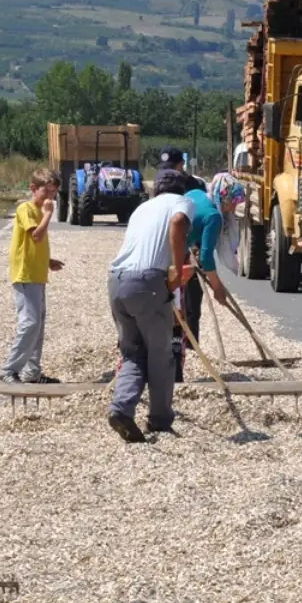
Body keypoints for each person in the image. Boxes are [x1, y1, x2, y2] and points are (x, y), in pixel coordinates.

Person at [106, 168, 194, 443]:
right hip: (148, 283)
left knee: (132, 352)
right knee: (160, 354)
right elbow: (179, 222)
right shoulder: (182, 203)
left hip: (117, 281)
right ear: (182, 189)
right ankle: (159, 418)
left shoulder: (142, 208)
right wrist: (178, 271)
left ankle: (121, 408)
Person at [172, 171, 248, 383]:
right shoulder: (214, 216)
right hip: (176, 255)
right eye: (232, 203)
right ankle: (180, 361)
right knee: (180, 309)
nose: (233, 209)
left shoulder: (197, 193)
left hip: (175, 248)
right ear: (223, 198)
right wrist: (218, 288)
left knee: (180, 308)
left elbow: (192, 224)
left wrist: (193, 246)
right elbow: (206, 257)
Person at [0, 168, 65, 385]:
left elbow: (34, 245)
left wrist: (48, 262)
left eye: (54, 193)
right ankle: (10, 369)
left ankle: (32, 371)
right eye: (46, 192)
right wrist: (48, 214)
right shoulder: (25, 209)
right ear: (33, 188)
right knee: (29, 323)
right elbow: (36, 236)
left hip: (37, 274)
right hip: (25, 275)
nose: (50, 198)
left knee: (38, 324)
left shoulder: (38, 211)